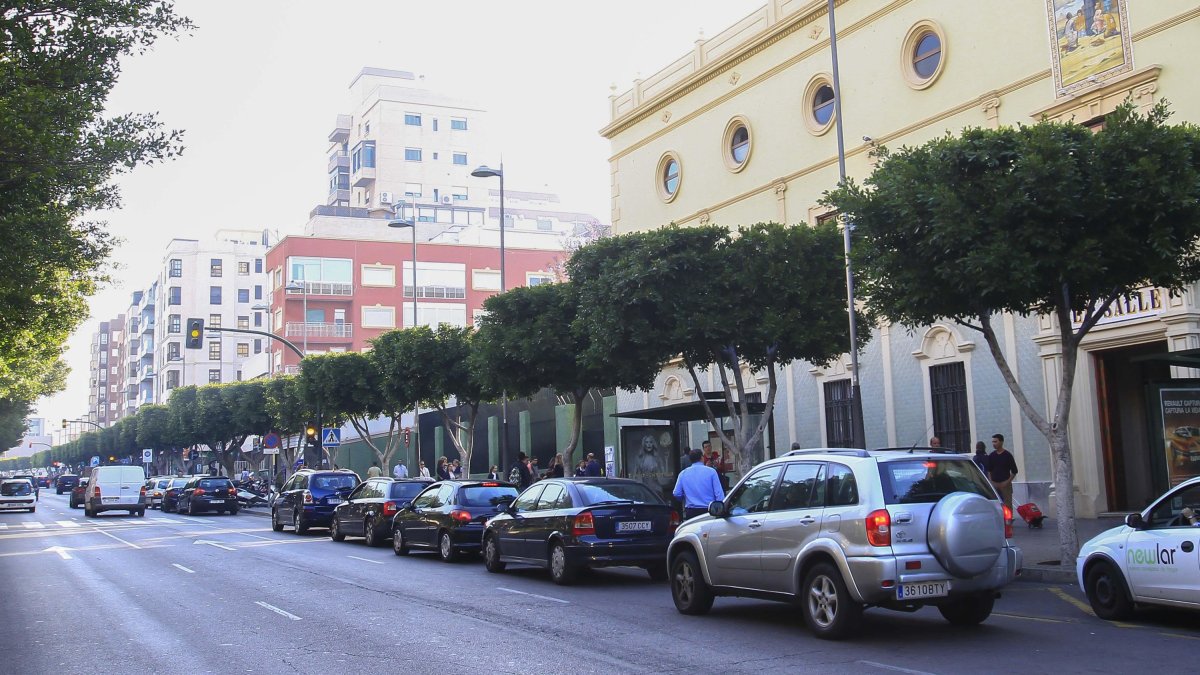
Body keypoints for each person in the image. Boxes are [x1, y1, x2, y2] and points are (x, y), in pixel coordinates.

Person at [673, 448, 725, 520]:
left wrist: (684, 497)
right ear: (702, 458)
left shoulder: (683, 474)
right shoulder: (711, 472)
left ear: (690, 460)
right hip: (709, 510)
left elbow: (676, 493)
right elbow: (719, 494)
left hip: (691, 511)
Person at [987, 433, 1019, 508]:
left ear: (1001, 442)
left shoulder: (1007, 455)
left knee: (1007, 504)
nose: (993, 444)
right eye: (993, 442)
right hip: (994, 484)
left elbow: (1014, 471)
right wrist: (991, 482)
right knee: (995, 505)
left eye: (995, 441)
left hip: (1005, 484)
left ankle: (1008, 519)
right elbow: (989, 470)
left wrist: (1007, 482)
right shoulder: (992, 455)